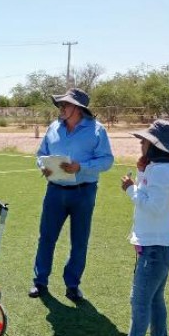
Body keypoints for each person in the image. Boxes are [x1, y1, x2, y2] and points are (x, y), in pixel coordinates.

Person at [96, 120, 169, 336]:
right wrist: (141, 174)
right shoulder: (165, 168)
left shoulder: (163, 171)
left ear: (157, 145)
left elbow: (152, 206)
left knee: (139, 302)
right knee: (154, 300)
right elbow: (153, 198)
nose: (141, 142)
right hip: (162, 244)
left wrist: (130, 188)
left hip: (157, 247)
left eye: (145, 139)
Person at [29, 88, 114, 302]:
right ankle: (40, 281)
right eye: (60, 104)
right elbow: (41, 155)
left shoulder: (97, 131)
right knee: (46, 238)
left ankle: (72, 285)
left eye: (65, 104)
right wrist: (43, 166)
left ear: (77, 108)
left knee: (79, 241)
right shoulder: (53, 128)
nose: (61, 108)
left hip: (83, 193)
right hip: (55, 192)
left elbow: (107, 161)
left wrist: (81, 167)